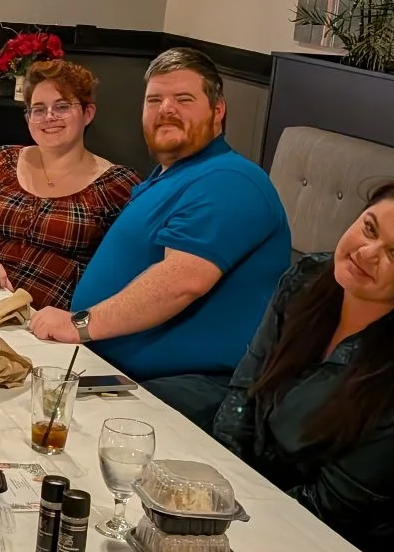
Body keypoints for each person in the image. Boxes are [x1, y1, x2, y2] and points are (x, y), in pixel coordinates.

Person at [35, 47, 291, 429]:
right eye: (155, 100)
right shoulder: (171, 176)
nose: (166, 109)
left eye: (183, 99)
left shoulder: (231, 179)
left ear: (218, 110)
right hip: (114, 372)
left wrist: (81, 324)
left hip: (188, 389)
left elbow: (181, 282)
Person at [211, 180, 394, 552]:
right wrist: (215, 490)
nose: (367, 253)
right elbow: (244, 390)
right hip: (246, 499)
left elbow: (331, 507)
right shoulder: (308, 277)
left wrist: (232, 523)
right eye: (369, 228)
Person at [0, 59, 140, 311]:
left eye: (62, 106)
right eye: (38, 109)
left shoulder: (117, 185)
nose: (49, 117)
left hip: (50, 322)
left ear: (88, 113)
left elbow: (131, 274)